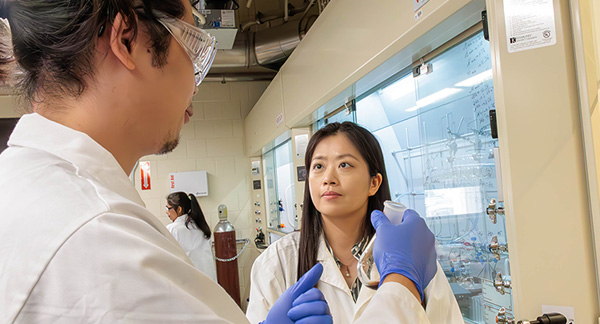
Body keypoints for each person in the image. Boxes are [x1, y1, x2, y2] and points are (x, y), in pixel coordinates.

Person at [0, 0, 438, 323]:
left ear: (375, 180)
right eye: (192, 45)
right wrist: (401, 285)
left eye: (346, 165)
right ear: (127, 39)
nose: (195, 81)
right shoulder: (96, 234)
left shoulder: (41, 193)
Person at [247, 122, 464, 323]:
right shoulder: (276, 263)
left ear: (374, 183)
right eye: (318, 166)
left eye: (344, 164)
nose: (328, 178)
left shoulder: (409, 258)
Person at [165, 192, 217, 282]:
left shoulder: (173, 229)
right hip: (209, 280)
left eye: (168, 208)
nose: (167, 212)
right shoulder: (201, 227)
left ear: (179, 209)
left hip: (190, 282)